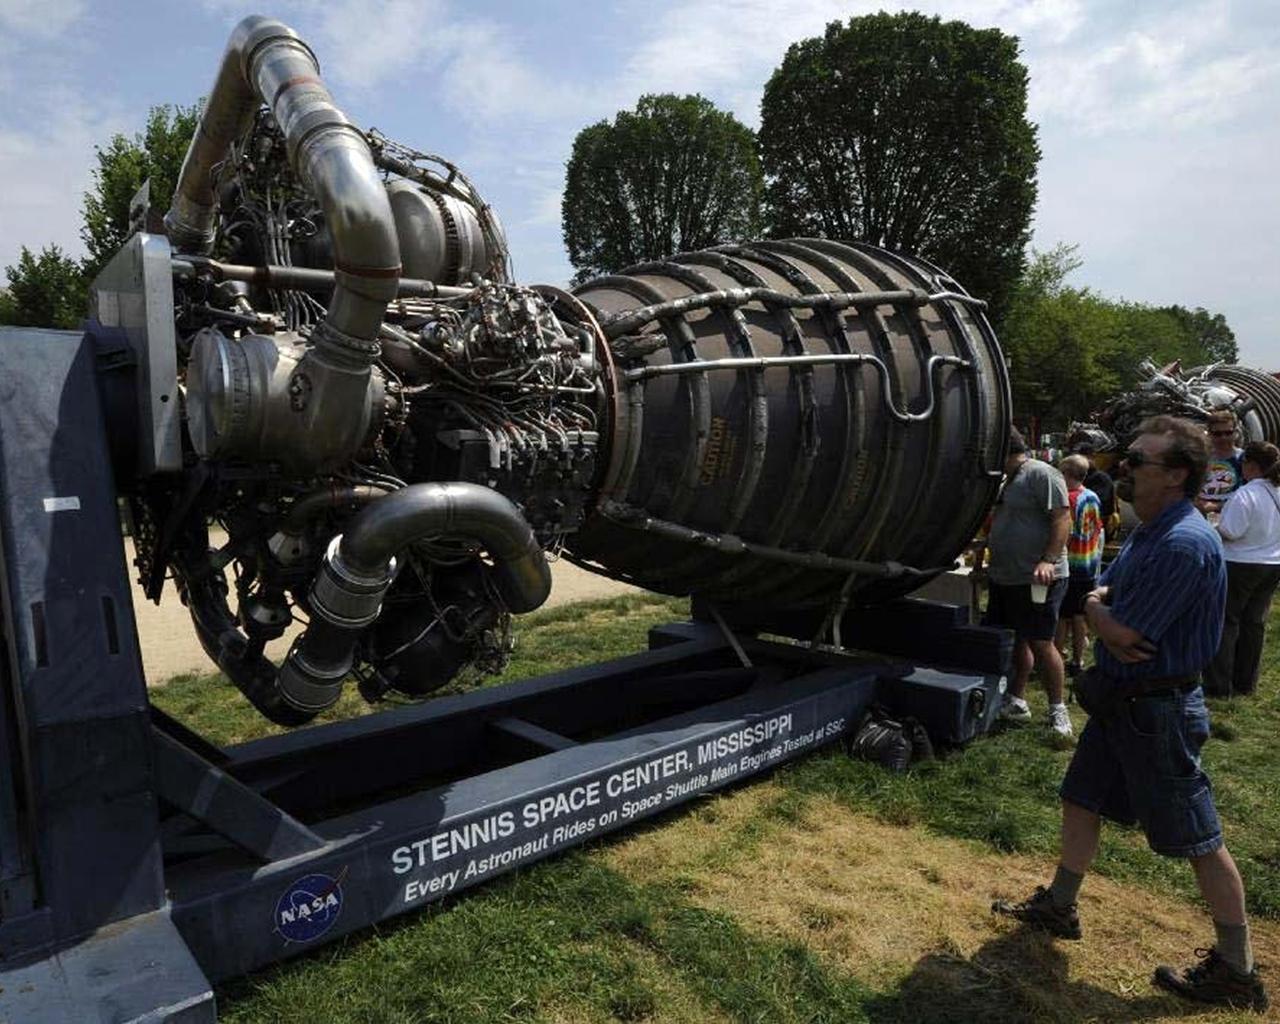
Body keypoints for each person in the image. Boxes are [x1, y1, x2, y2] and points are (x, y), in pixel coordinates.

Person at [992, 416, 1268, 1013]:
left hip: (1157, 712)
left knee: (1198, 838)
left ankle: (1236, 970)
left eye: (1138, 461)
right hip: (1125, 705)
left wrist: (1100, 614)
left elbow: (1131, 634)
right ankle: (1059, 907)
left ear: (1175, 475)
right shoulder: (1151, 530)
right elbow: (1103, 599)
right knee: (1081, 797)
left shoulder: (1183, 543)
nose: (1124, 468)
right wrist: (1098, 612)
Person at [974, 426, 1072, 736]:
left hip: (1038, 577)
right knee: (1016, 639)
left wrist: (1049, 560)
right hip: (1007, 576)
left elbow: (1061, 517)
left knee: (1042, 641)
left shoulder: (1042, 473)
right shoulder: (1006, 479)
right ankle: (1017, 699)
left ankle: (1058, 710)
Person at [1202, 441, 1280, 697]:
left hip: (1240, 562)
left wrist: (1212, 525)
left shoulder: (1245, 494)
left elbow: (1231, 532)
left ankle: (1220, 684)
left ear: (1251, 465)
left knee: (1227, 622)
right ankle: (1246, 683)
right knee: (1254, 624)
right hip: (1272, 563)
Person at [1054, 455, 1103, 677]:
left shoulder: (1070, 499)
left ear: (1066, 474)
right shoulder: (1092, 496)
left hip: (1071, 562)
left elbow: (1066, 533)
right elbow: (1097, 527)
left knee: (1063, 616)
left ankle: (1057, 654)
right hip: (1089, 561)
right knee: (1080, 615)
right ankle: (1078, 659)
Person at [1197, 408, 1245, 515]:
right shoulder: (1200, 458)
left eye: (1228, 433)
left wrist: (1216, 506)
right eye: (1217, 434)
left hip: (1232, 515)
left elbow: (1251, 494)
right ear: (1209, 434)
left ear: (1235, 433)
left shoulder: (1243, 459)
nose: (1223, 438)